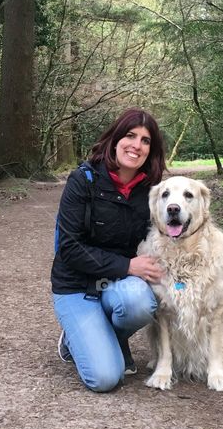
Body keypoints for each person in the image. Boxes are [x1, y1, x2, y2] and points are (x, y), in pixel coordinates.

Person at [51, 108, 167, 392]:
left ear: (151, 150)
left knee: (139, 302)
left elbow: (172, 233)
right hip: (76, 286)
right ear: (115, 139)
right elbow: (69, 247)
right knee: (105, 379)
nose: (136, 145)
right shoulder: (83, 180)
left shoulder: (154, 190)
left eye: (145, 140)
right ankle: (74, 339)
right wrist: (127, 266)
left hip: (118, 286)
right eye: (130, 136)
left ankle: (105, 336)